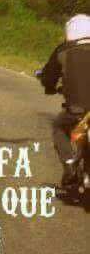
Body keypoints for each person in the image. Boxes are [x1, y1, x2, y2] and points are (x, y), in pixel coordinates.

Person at [39, 14, 90, 187]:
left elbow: (48, 78)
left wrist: (50, 87)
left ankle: (69, 165)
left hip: (76, 111)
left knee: (59, 127)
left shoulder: (63, 51)